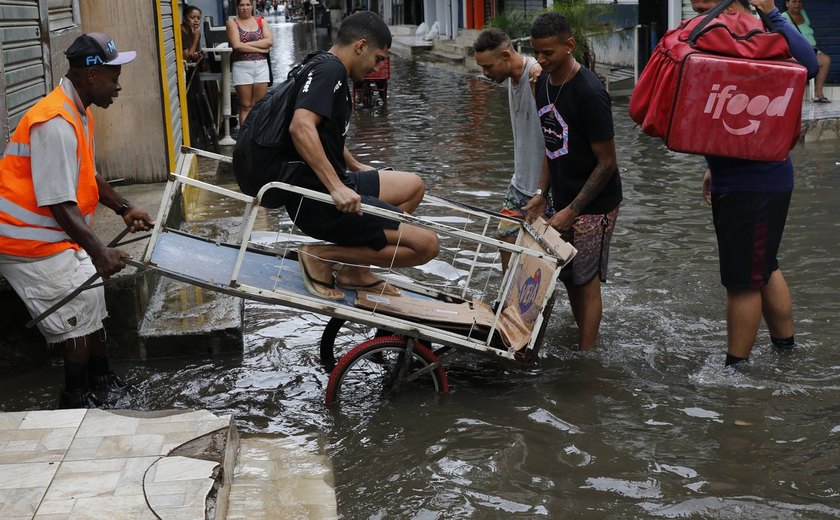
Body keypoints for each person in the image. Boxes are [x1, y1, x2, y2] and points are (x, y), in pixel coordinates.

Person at [0, 33, 154, 408]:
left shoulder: (76, 111)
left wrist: (123, 207)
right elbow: (59, 203)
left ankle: (102, 379)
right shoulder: (54, 121)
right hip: (24, 240)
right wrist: (100, 251)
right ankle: (75, 397)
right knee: (77, 309)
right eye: (114, 77)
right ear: (91, 77)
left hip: (49, 236)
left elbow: (87, 173)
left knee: (92, 296)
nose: (119, 87)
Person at [689, 0, 818, 369]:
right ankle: (786, 351)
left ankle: (734, 371)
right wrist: (714, 162)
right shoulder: (727, 29)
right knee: (764, 265)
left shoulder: (751, 27)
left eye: (704, 4)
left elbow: (808, 64)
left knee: (743, 281)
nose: (699, 10)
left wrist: (771, 12)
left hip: (754, 181)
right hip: (750, 174)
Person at [284, 12, 439, 299]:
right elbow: (301, 126)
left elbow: (321, 130)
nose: (378, 66)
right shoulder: (329, 72)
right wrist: (337, 188)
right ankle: (322, 256)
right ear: (360, 46)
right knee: (427, 245)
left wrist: (353, 164)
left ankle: (355, 268)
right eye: (378, 58)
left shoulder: (327, 66)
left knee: (414, 185)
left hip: (332, 181)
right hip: (319, 200)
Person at [523, 13, 623, 351]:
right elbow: (552, 146)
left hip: (595, 202)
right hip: (562, 198)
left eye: (548, 53)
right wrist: (541, 194)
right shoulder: (542, 84)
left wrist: (574, 209)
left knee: (586, 280)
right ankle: (586, 337)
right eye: (536, 52)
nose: (540, 60)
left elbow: (607, 163)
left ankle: (586, 358)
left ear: (569, 46)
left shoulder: (590, 93)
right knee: (567, 275)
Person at [472, 28, 554, 272]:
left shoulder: (537, 76)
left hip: (545, 188)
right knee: (505, 238)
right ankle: (509, 303)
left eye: (488, 66)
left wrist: (543, 191)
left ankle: (536, 306)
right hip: (519, 184)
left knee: (543, 261)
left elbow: (556, 138)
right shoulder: (513, 77)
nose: (485, 74)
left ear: (506, 56)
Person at [227, 0, 274, 126]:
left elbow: (269, 41)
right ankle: (245, 139)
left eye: (248, 5)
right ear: (237, 7)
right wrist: (260, 49)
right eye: (242, 5)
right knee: (246, 106)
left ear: (252, 6)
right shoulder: (232, 23)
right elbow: (237, 46)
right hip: (242, 67)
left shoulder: (260, 21)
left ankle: (256, 137)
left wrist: (246, 44)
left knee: (258, 106)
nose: (245, 8)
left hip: (261, 66)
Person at [781, 0, 832, 103]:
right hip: (799, 52)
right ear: (787, 3)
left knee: (826, 60)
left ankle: (818, 93)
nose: (797, 4)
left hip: (812, 50)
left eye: (799, 2)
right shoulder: (783, 17)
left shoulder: (803, 13)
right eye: (794, 1)